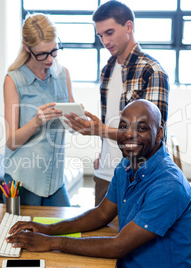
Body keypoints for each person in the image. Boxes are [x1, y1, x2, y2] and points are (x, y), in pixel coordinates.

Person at [6, 100, 191, 268]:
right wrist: (48, 228)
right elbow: (102, 213)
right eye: (124, 126)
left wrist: (52, 242)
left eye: (142, 128)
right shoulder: (127, 165)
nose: (129, 134)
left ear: (159, 134)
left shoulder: (169, 185)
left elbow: (119, 246)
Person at [64, 0, 170, 206]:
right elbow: (113, 117)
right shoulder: (107, 69)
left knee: (131, 237)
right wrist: (103, 150)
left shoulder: (152, 71)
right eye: (100, 35)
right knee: (98, 236)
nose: (105, 40)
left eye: (109, 32)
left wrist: (99, 130)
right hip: (104, 172)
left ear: (129, 27)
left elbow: (149, 137)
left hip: (139, 176)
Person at [3, 13, 74, 206]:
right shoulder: (14, 80)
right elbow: (11, 141)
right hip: (23, 180)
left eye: (54, 51)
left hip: (55, 179)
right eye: (43, 54)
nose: (50, 59)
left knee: (70, 233)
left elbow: (72, 125)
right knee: (22, 235)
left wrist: (79, 121)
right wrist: (36, 121)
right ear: (27, 48)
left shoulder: (63, 74)